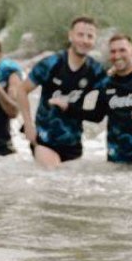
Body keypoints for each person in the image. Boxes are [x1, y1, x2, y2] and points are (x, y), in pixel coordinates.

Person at [51, 33, 132, 164]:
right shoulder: (105, 84)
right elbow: (97, 116)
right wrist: (68, 108)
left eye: (122, 50)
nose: (117, 55)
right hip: (114, 165)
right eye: (113, 52)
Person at [16, 16, 106, 167]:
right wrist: (28, 125)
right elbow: (22, 90)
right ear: (70, 35)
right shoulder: (51, 64)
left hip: (73, 143)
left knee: (68, 187)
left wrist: (69, 108)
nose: (84, 40)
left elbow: (100, 113)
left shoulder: (95, 70)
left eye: (89, 36)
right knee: (54, 176)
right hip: (44, 140)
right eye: (80, 35)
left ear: (94, 40)